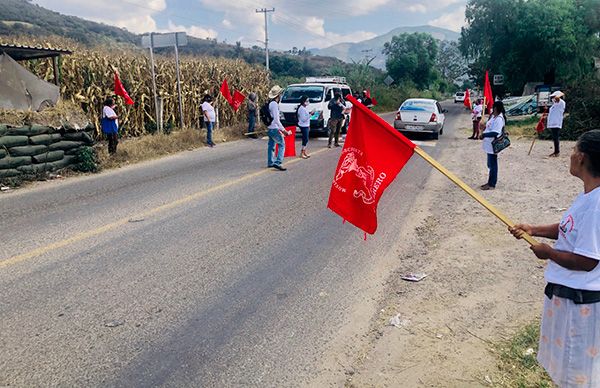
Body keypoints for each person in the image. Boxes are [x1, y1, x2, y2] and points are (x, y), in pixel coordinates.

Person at [509, 129, 600, 387]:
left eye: (573, 152)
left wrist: (547, 252)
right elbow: (569, 227)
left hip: (580, 305)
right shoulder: (589, 196)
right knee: (566, 371)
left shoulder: (597, 205)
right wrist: (533, 229)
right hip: (568, 299)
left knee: (577, 375)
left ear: (581, 158)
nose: (570, 156)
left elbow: (587, 261)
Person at [479, 100, 506, 190]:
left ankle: (492, 184)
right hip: (488, 144)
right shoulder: (493, 117)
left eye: (493, 108)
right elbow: (489, 127)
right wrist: (483, 127)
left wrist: (484, 135)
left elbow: (495, 132)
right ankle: (490, 181)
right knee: (490, 164)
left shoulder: (499, 119)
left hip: (493, 144)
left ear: (496, 108)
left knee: (493, 164)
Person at [266, 85, 292, 171]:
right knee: (282, 144)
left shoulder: (270, 103)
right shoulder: (274, 105)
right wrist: (284, 130)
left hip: (270, 128)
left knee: (271, 145)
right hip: (274, 128)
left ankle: (270, 162)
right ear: (278, 95)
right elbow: (277, 120)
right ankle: (278, 162)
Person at [548, 91, 566, 157]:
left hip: (556, 123)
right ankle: (556, 151)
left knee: (556, 137)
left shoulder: (561, 103)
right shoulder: (555, 104)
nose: (553, 98)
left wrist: (559, 94)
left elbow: (558, 97)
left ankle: (557, 152)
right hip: (553, 123)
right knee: (554, 137)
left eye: (553, 97)